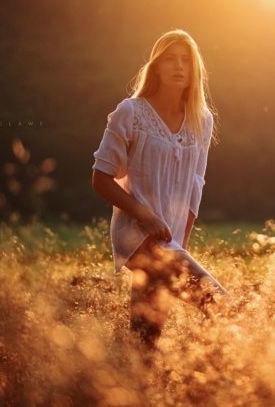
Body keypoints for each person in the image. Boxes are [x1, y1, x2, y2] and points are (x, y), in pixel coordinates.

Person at [91, 29, 229, 350]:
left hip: (169, 239)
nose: (179, 66)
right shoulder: (131, 112)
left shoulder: (202, 119)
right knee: (220, 303)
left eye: (185, 60)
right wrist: (145, 215)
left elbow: (196, 184)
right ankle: (212, 379)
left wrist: (181, 245)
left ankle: (127, 387)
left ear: (195, 69)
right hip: (137, 233)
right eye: (170, 59)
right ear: (156, 66)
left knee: (147, 332)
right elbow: (101, 178)